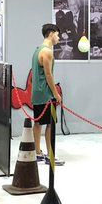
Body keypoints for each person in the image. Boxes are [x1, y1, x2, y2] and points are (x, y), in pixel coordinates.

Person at [32, 23, 64, 165]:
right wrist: (56, 94)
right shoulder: (47, 52)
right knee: (50, 125)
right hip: (46, 95)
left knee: (38, 123)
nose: (59, 38)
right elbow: (48, 75)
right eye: (57, 35)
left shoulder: (37, 50)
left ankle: (37, 153)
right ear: (51, 34)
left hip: (37, 93)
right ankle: (51, 156)